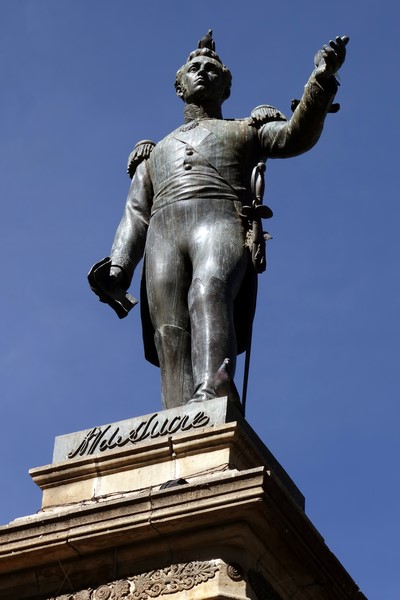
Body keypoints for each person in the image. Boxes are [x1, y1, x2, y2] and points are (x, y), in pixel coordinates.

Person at [91, 33, 348, 410]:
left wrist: (321, 80)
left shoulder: (246, 129)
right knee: (169, 330)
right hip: (163, 232)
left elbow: (295, 136)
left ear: (226, 87)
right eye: (194, 69)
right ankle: (177, 415)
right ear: (179, 86)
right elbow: (135, 213)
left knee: (208, 291)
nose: (202, 73)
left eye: (212, 70)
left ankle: (214, 389)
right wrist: (119, 265)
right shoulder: (154, 153)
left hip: (221, 219)